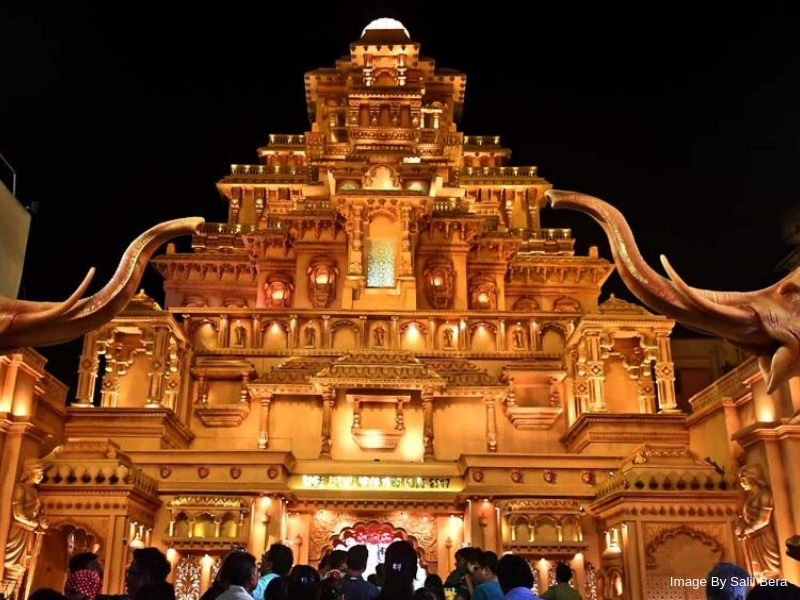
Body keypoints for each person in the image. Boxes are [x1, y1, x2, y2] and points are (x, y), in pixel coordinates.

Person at [735, 464, 781, 579]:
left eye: (744, 479)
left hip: (764, 537)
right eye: (740, 480)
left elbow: (764, 520)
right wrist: (741, 527)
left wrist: (747, 529)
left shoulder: (765, 493)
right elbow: (745, 517)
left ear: (753, 477)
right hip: (753, 538)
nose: (742, 482)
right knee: (757, 570)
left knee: (770, 569)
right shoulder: (749, 497)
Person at [5, 464, 47, 577]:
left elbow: (36, 514)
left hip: (29, 530)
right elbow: (17, 513)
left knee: (25, 564)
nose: (41, 477)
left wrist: (40, 521)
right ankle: (5, 591)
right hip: (19, 529)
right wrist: (32, 523)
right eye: (39, 473)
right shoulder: (20, 487)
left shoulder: (34, 492)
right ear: (29, 472)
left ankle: (15, 591)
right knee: (13, 563)